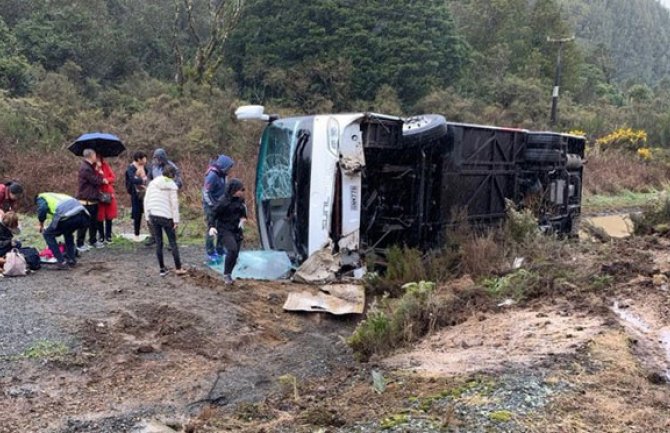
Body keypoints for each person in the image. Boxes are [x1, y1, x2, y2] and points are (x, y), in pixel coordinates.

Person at [144, 165, 186, 277]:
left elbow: (146, 200)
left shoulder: (153, 183)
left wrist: (147, 217)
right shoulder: (172, 186)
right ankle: (178, 268)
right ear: (172, 175)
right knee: (173, 242)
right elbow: (174, 205)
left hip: (153, 215)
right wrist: (176, 220)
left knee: (159, 242)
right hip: (166, 217)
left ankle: (162, 269)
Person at [36, 192, 90, 270]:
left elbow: (42, 209)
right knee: (68, 233)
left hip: (68, 216)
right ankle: (72, 260)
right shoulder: (56, 195)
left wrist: (41, 223)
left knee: (48, 234)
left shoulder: (40, 198)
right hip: (84, 216)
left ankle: (61, 262)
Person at [208, 178, 247, 285]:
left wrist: (243, 219)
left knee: (236, 254)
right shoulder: (223, 202)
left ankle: (229, 273)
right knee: (232, 249)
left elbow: (243, 212)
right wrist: (211, 226)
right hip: (224, 229)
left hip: (236, 229)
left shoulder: (240, 200)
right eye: (241, 189)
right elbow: (213, 214)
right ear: (234, 190)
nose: (242, 191)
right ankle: (226, 274)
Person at [145, 148, 182, 246]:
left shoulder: (171, 167)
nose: (156, 160)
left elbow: (179, 182)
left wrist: (170, 188)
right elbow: (149, 178)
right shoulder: (153, 167)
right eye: (155, 158)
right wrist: (150, 186)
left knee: (170, 218)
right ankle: (154, 237)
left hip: (167, 195)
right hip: (156, 195)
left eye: (158, 158)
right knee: (153, 215)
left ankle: (172, 241)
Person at [202, 154, 234, 263]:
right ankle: (210, 251)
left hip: (220, 205)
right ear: (223, 166)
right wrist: (212, 205)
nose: (229, 170)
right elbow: (206, 192)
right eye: (228, 167)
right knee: (212, 228)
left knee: (221, 227)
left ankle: (220, 249)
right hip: (210, 205)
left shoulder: (223, 174)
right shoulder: (212, 175)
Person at [76, 149, 107, 251]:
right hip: (86, 200)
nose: (96, 157)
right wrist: (101, 175)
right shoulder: (85, 168)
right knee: (84, 223)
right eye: (95, 155)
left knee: (93, 222)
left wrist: (98, 170)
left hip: (93, 199)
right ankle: (80, 243)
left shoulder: (90, 167)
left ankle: (93, 240)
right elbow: (95, 181)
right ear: (90, 156)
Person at [125, 151, 148, 239]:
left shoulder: (145, 167)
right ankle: (136, 234)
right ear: (139, 159)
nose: (146, 160)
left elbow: (148, 176)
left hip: (145, 192)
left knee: (148, 212)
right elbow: (132, 180)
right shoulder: (131, 168)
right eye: (144, 158)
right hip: (136, 193)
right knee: (137, 213)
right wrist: (142, 180)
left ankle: (153, 235)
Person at [97, 156, 118, 243]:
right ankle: (101, 236)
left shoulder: (105, 166)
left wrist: (106, 179)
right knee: (100, 216)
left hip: (108, 193)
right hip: (98, 193)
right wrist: (99, 174)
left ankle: (108, 235)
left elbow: (112, 177)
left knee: (109, 215)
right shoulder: (91, 168)